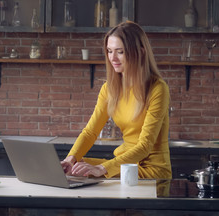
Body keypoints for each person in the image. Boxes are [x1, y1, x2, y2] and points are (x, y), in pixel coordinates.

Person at [61, 21, 172, 179]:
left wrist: (102, 168)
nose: (112, 58)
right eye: (109, 51)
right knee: (72, 169)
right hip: (126, 165)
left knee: (84, 172)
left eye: (120, 52)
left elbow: (144, 146)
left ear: (140, 52)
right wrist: (70, 159)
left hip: (152, 171)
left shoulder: (157, 88)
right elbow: (90, 132)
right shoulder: (109, 89)